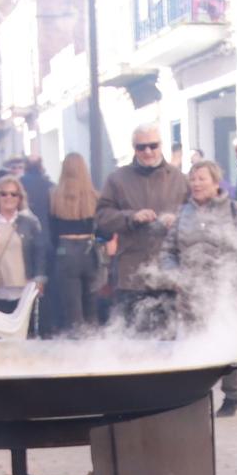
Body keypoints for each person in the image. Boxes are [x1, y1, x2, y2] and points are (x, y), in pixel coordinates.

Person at [167, 159, 237, 414]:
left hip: (225, 292)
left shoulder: (236, 211)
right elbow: (168, 251)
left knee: (225, 344)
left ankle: (232, 396)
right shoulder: (183, 213)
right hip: (190, 294)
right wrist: (175, 275)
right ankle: (195, 399)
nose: (195, 184)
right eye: (192, 179)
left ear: (216, 182)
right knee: (193, 347)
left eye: (201, 178)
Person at [96, 124, 190, 336]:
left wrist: (177, 220)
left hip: (168, 274)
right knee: (133, 340)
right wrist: (131, 217)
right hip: (131, 274)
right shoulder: (117, 179)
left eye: (152, 145)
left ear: (161, 146)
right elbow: (101, 218)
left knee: (167, 339)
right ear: (134, 148)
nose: (148, 151)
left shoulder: (179, 179)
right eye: (141, 147)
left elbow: (197, 217)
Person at [43, 153, 99, 338]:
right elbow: (101, 228)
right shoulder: (94, 197)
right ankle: (94, 347)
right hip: (89, 249)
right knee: (91, 303)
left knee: (72, 307)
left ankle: (77, 348)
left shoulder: (54, 196)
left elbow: (50, 231)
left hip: (65, 249)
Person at [0, 173, 46, 323]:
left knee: (25, 330)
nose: (9, 198)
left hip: (23, 286)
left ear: (20, 198)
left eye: (14, 194)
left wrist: (39, 279)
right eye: (4, 194)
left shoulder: (29, 222)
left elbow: (39, 252)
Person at [19, 156, 54, 238]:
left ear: (26, 166)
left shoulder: (18, 184)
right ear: (41, 166)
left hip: (24, 231)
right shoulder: (50, 186)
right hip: (45, 230)